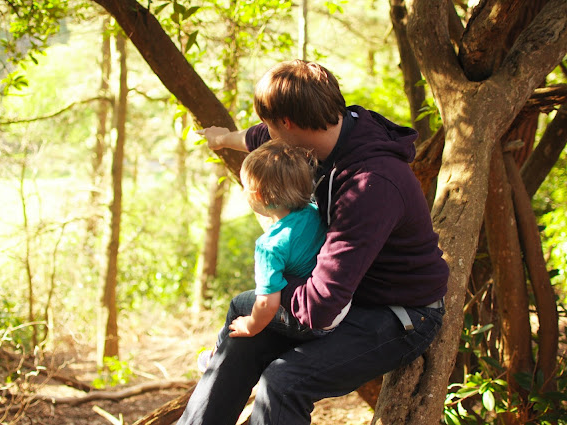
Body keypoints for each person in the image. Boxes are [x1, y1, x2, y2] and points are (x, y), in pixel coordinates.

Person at [179, 60, 449, 425]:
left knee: (284, 381)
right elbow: (260, 137)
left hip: (398, 314)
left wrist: (271, 291)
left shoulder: (370, 185)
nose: (268, 133)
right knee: (244, 323)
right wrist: (223, 138)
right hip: (346, 296)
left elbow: (319, 308)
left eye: (272, 125)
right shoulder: (325, 133)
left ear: (288, 123)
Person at [198, 140, 330, 372]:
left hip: (308, 323)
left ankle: (216, 357)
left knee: (239, 302)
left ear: (257, 195)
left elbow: (267, 304)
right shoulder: (315, 211)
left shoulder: (269, 246)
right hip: (331, 306)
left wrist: (251, 325)